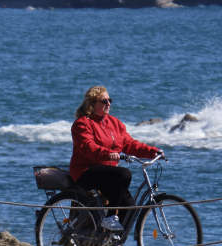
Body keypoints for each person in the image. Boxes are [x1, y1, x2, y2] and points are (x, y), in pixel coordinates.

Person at [69, 86, 163, 234]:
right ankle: (111, 217)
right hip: (85, 172)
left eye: (110, 100)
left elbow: (130, 144)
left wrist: (153, 151)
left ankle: (114, 245)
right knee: (123, 174)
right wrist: (108, 154)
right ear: (92, 104)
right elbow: (88, 147)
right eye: (104, 101)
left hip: (107, 174)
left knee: (130, 207)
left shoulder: (114, 123)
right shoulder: (82, 124)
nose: (108, 104)